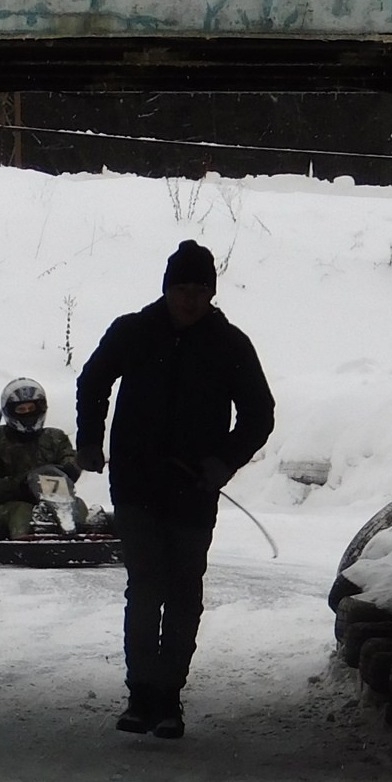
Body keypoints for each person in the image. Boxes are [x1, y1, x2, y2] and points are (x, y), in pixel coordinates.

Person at [75, 240, 275, 738]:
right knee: (145, 586)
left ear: (211, 293)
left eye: (200, 289)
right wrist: (89, 443)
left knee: (184, 591)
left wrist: (223, 462)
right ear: (167, 288)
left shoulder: (229, 345)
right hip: (136, 483)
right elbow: (92, 381)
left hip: (193, 489)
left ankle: (169, 697)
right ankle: (140, 695)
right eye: (182, 287)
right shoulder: (134, 333)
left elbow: (259, 413)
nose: (189, 297)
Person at [0, 377, 90, 539]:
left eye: (31, 408)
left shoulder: (56, 437)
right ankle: (28, 540)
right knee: (23, 513)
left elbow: (70, 459)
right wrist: (21, 486)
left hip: (58, 502)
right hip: (8, 504)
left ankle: (78, 535)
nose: (27, 414)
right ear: (10, 412)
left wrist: (68, 470)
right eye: (21, 410)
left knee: (79, 506)